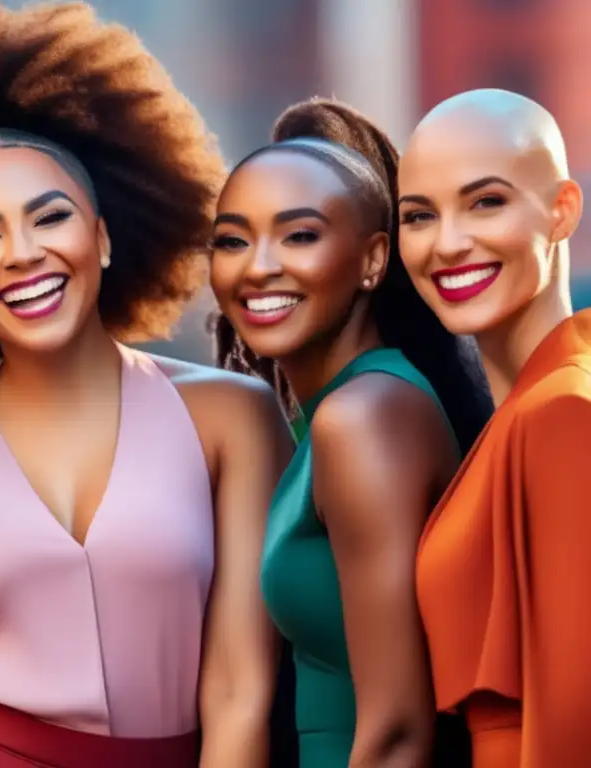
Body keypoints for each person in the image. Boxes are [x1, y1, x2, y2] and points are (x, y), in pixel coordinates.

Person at [0, 2, 296, 766]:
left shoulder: (231, 417)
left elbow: (241, 690)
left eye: (50, 219)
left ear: (103, 238)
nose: (22, 254)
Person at [210, 98, 492, 768]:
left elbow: (397, 732)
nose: (257, 266)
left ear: (372, 260)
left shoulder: (362, 418)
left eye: (299, 235)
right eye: (232, 239)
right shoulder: (340, 411)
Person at [400, 88, 590, 767]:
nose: (448, 243)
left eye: (486, 202)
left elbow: (573, 719)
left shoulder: (562, 413)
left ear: (561, 211)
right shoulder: (526, 409)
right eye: (419, 216)